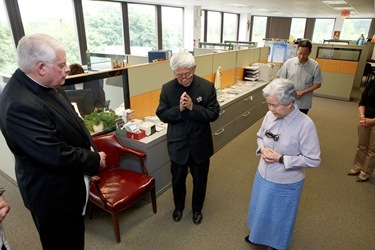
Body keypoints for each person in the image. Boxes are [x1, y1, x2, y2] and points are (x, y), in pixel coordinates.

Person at [0, 33, 106, 249]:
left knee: (76, 240)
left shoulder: (48, 82)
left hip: (69, 188)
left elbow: (74, 120)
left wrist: (90, 150)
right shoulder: (19, 104)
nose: (68, 68)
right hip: (52, 198)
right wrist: (94, 160)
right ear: (41, 67)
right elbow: (55, 154)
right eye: (62, 64)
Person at [245, 78, 321, 250]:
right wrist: (262, 148)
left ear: (290, 102)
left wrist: (282, 158)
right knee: (260, 208)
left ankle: (276, 245)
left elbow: (313, 160)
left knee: (279, 218)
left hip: (286, 181)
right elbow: (259, 136)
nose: (271, 109)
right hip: (263, 174)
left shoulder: (305, 125)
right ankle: (257, 235)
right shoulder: (269, 115)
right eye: (269, 104)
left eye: (275, 105)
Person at [156, 50, 220, 225]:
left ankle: (197, 209)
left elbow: (214, 114)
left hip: (200, 144)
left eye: (187, 74)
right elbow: (162, 114)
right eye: (179, 75)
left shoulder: (206, 87)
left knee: (200, 181)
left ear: (194, 68)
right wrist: (180, 109)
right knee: (177, 180)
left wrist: (193, 107)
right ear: (174, 73)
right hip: (178, 145)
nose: (184, 78)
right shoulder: (167, 88)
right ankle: (178, 207)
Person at [276, 40, 323, 114]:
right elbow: (281, 80)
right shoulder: (289, 63)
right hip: (288, 100)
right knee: (286, 121)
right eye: (300, 53)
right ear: (297, 50)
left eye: (305, 54)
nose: (301, 56)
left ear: (310, 52)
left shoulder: (315, 66)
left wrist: (303, 92)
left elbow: (318, 84)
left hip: (304, 102)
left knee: (300, 123)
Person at [347, 79, 375, 182]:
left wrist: (372, 121)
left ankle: (365, 172)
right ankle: (357, 167)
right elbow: (362, 102)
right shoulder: (372, 82)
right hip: (365, 119)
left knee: (372, 150)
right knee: (361, 146)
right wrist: (362, 116)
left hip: (374, 121)